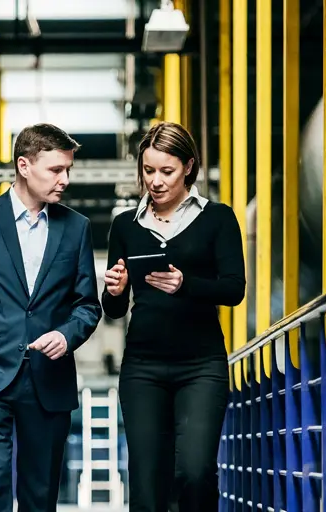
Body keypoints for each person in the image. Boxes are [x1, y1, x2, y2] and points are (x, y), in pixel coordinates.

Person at [0, 123, 103, 512]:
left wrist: (67, 335)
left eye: (68, 170)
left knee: (40, 496)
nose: (65, 180)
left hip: (49, 377)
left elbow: (87, 306)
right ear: (24, 166)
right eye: (55, 170)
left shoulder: (76, 228)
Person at [101, 121, 245, 511]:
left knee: (195, 473)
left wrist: (187, 284)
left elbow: (234, 288)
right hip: (143, 367)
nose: (156, 181)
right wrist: (113, 291)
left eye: (167, 171)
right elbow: (115, 309)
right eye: (149, 171)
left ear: (188, 167)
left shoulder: (218, 218)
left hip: (201, 365)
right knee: (148, 489)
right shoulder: (125, 226)